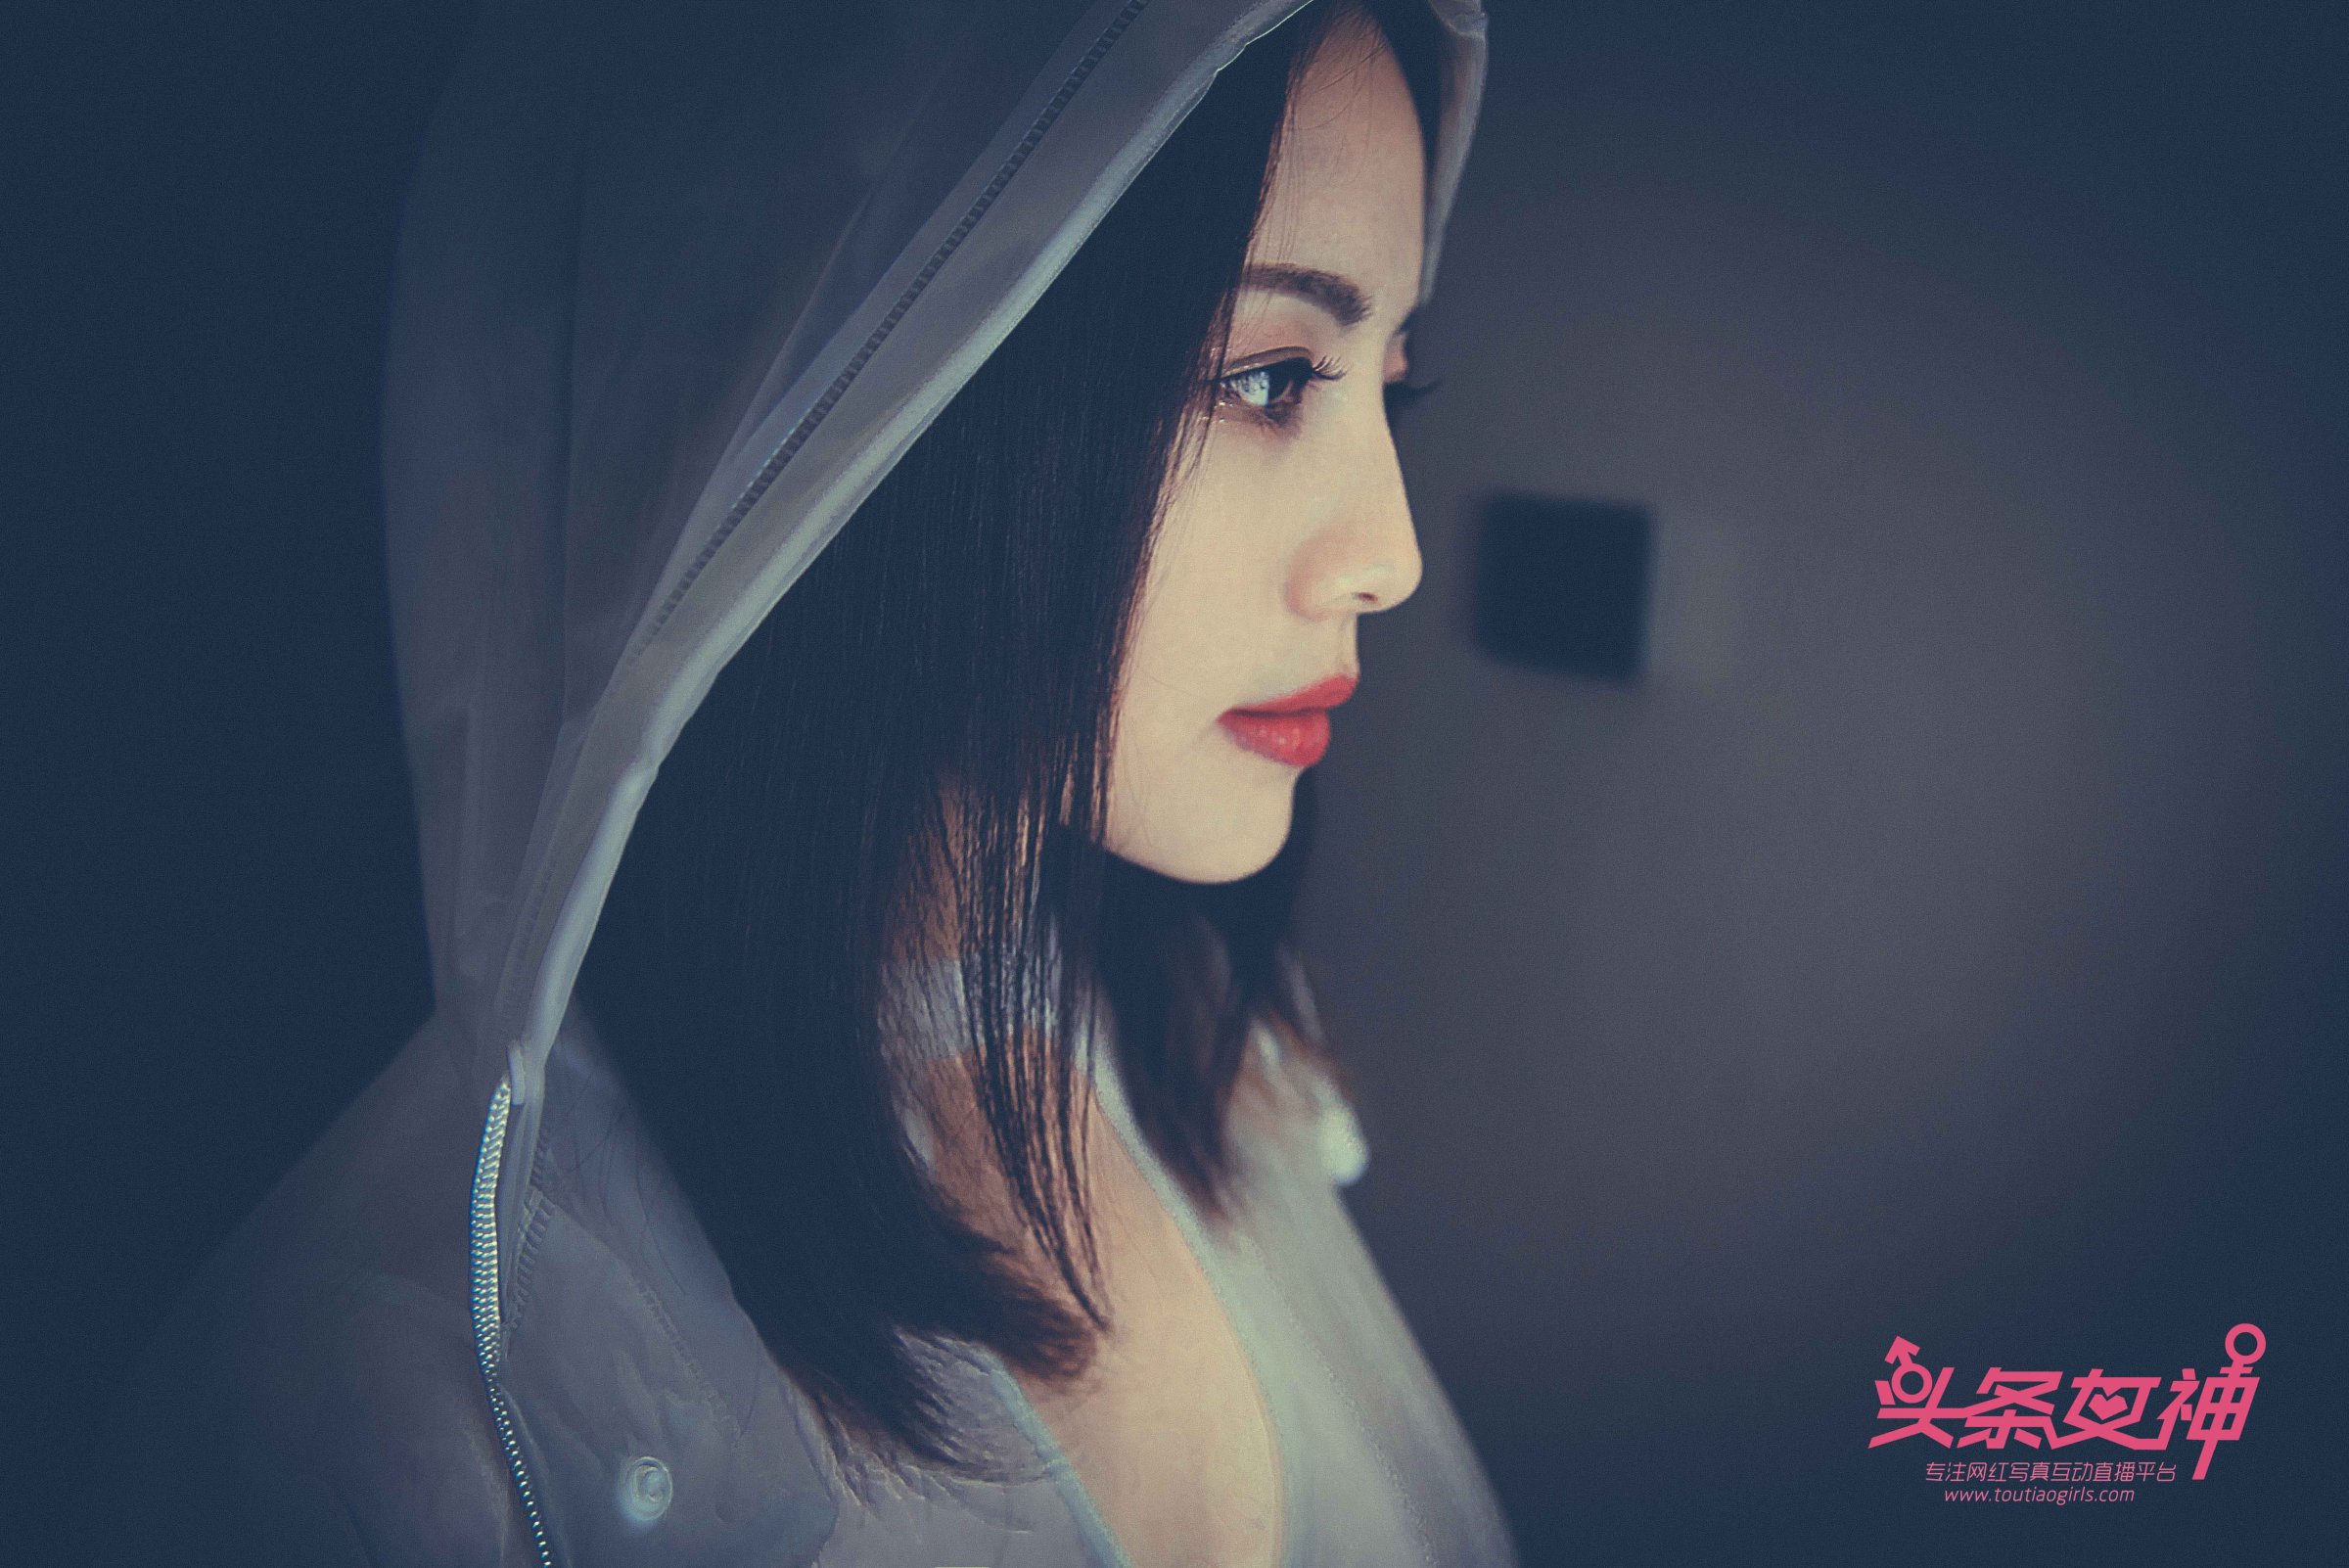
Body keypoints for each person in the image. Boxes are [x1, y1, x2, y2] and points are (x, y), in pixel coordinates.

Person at [122, 1, 1514, 1564]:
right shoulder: (410, 1414)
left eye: (1391, 380)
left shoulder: (1204, 1053)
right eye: (1267, 375)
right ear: (868, 383)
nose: (1390, 555)